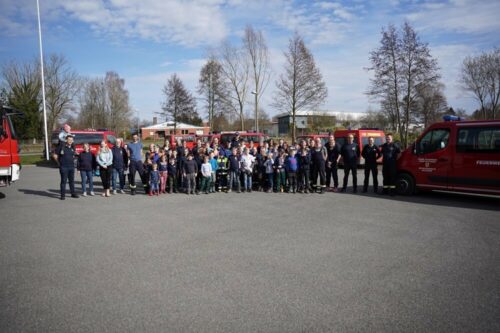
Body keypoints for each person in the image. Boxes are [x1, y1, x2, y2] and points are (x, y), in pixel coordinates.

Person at [54, 134, 79, 200]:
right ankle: (62, 195)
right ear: (66, 140)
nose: (70, 141)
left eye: (71, 140)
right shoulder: (61, 147)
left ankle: (73, 193)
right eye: (69, 140)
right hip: (64, 167)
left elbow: (74, 155)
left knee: (71, 181)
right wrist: (59, 163)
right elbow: (55, 155)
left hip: (71, 167)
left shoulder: (73, 147)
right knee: (63, 181)